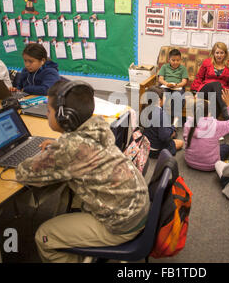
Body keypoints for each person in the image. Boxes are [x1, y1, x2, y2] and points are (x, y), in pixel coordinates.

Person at [15, 80, 149, 263]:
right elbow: (80, 151)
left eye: (48, 111)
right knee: (68, 193)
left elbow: (24, 173)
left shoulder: (70, 148)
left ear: (65, 117)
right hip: (136, 208)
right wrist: (58, 148)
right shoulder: (98, 126)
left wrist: (49, 154)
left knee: (44, 236)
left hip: (121, 224)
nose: (46, 115)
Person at [183, 89, 229, 171]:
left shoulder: (187, 124)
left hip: (190, 162)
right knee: (226, 147)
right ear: (209, 113)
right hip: (210, 165)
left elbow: (186, 141)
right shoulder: (215, 125)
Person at [190, 42, 229, 120]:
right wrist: (195, 92)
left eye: (222, 53)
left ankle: (211, 124)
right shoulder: (207, 63)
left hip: (220, 92)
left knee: (216, 99)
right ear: (213, 53)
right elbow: (199, 77)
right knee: (216, 84)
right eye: (217, 53)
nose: (219, 55)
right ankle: (226, 114)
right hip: (205, 89)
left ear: (225, 54)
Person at [142, 86, 184, 158]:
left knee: (170, 132)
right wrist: (174, 127)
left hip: (145, 145)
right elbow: (164, 137)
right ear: (159, 100)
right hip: (155, 150)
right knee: (181, 142)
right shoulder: (161, 114)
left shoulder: (145, 108)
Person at [158, 48, 189, 124]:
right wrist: (166, 84)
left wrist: (177, 85)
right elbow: (160, 79)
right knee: (164, 96)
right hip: (166, 86)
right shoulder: (164, 67)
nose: (175, 62)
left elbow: (184, 81)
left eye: (178, 60)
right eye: (173, 60)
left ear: (180, 60)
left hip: (178, 87)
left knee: (178, 97)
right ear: (169, 60)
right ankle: (163, 117)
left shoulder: (183, 68)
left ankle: (174, 120)